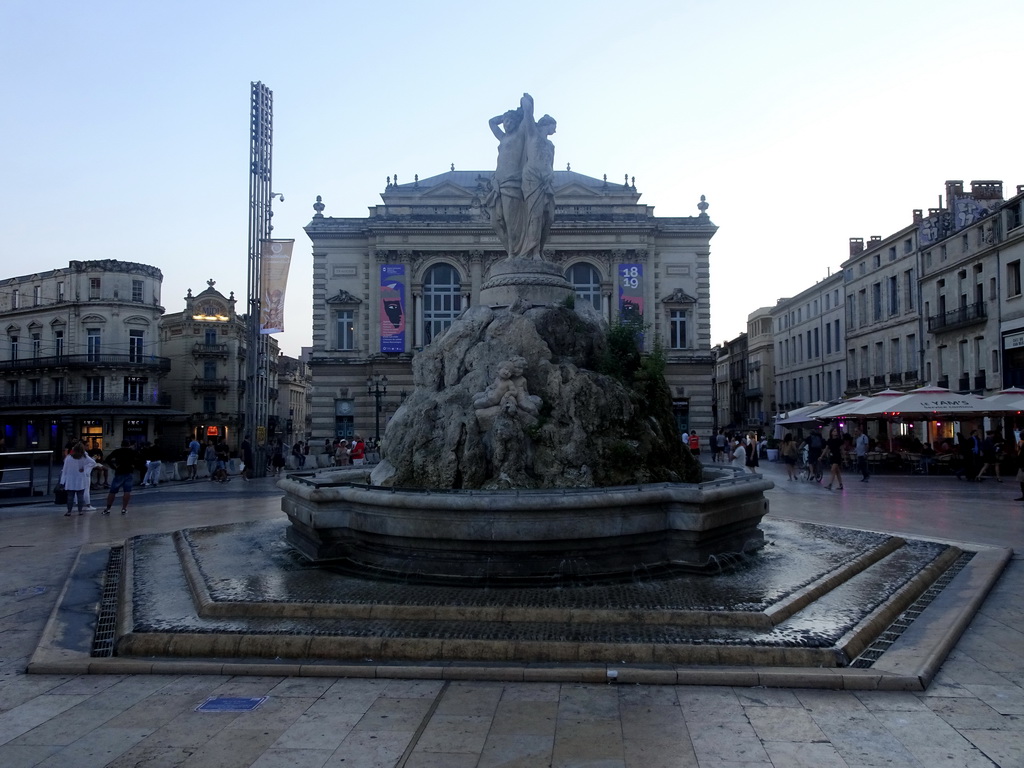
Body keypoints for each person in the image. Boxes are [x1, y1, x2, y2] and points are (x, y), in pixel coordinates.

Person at [102, 440, 140, 515]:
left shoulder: (117, 451)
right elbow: (140, 459)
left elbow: (107, 459)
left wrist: (114, 467)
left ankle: (108, 508)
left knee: (113, 491)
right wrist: (133, 465)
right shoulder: (132, 452)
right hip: (129, 471)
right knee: (127, 491)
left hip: (119, 471)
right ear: (129, 445)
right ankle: (124, 508)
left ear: (121, 445)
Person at [61, 442, 96, 516]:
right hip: (80, 478)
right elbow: (93, 462)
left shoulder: (69, 457)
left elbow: (64, 469)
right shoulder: (83, 457)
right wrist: (85, 468)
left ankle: (69, 511)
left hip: (70, 479)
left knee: (70, 496)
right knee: (80, 495)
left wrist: (62, 481)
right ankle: (80, 511)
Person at [824, 427, 845, 491]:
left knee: (833, 470)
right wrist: (821, 456)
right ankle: (841, 484)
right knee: (837, 471)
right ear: (831, 433)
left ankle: (830, 484)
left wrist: (845, 458)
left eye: (836, 431)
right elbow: (826, 449)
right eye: (834, 431)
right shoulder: (829, 440)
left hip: (837, 456)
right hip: (832, 456)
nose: (835, 432)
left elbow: (842, 449)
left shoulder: (839, 440)